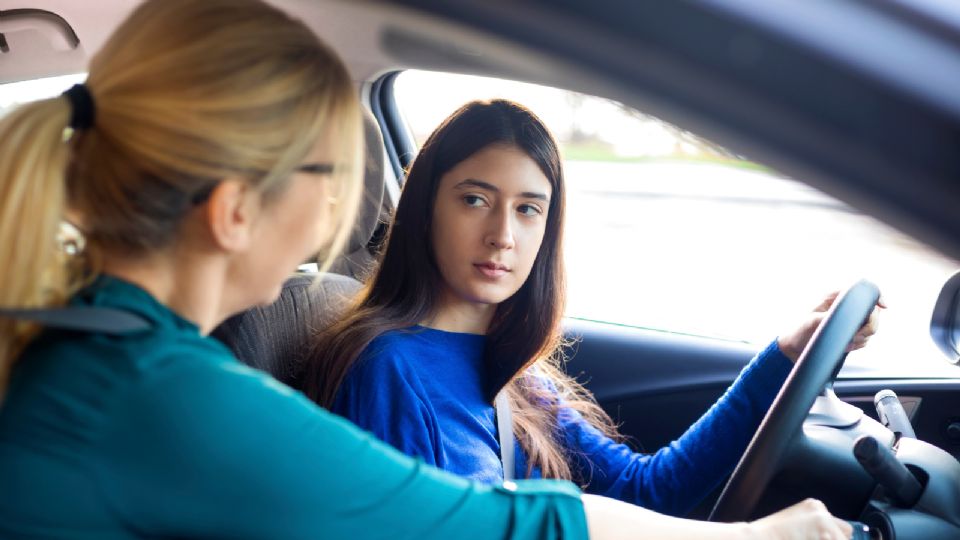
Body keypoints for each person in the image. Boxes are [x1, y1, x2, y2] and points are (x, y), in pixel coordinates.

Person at [0, 0, 855, 537]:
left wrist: (783, 355)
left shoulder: (121, 361)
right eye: (331, 177)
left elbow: (618, 493)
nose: (339, 214)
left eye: (529, 209)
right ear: (234, 210)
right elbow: (490, 526)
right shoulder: (162, 393)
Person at [303, 99, 881, 522]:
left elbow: (650, 488)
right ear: (427, 209)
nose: (502, 234)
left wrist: (785, 355)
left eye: (529, 209)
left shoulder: (512, 368)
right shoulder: (388, 369)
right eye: (475, 200)